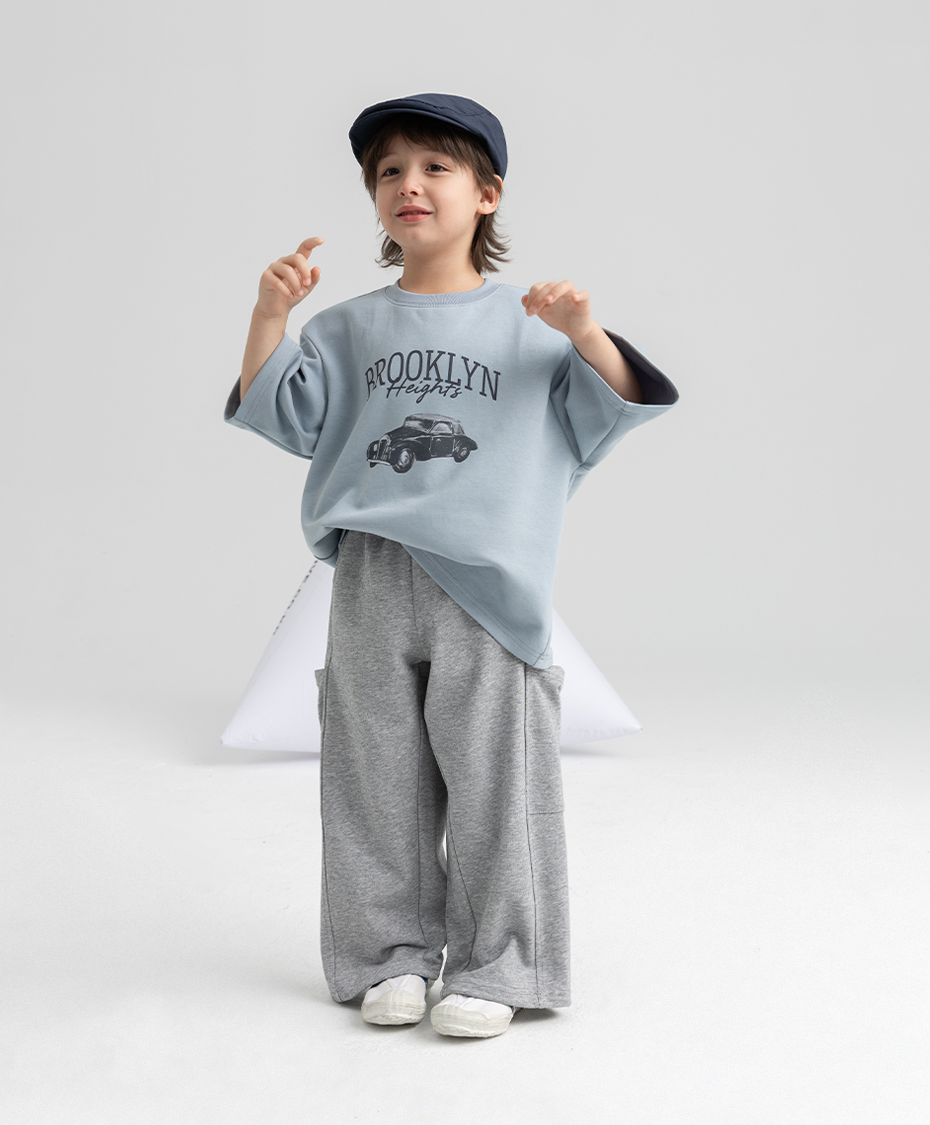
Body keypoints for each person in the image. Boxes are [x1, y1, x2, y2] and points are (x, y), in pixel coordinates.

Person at [225, 93, 678, 1038]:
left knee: (497, 784)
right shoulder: (346, 329)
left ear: (487, 194)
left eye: (436, 166)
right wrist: (270, 315)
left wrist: (583, 331)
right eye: (390, 170)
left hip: (485, 587)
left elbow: (611, 410)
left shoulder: (531, 324)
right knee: (372, 779)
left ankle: (501, 963)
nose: (410, 184)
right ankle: (386, 955)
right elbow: (286, 415)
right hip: (370, 575)